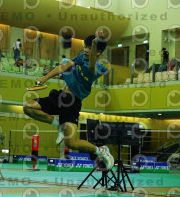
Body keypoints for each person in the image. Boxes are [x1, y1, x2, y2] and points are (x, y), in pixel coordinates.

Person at [23, 34, 114, 169]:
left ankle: (100, 151)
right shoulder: (81, 57)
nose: (86, 50)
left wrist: (95, 44)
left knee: (71, 143)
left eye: (90, 48)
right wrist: (45, 78)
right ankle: (59, 125)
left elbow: (91, 66)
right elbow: (64, 67)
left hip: (73, 103)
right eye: (86, 47)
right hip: (60, 96)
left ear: (98, 52)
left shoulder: (97, 69)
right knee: (28, 107)